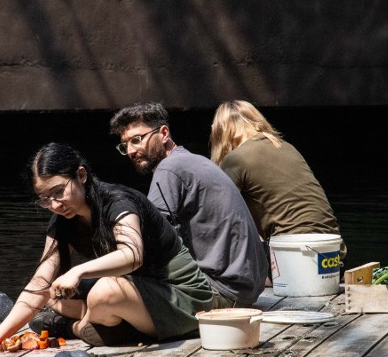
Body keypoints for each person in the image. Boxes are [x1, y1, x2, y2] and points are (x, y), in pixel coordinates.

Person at [0, 142, 220, 348]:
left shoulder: (118, 202)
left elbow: (133, 255)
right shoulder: (62, 220)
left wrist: (77, 271)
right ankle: (95, 320)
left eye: (58, 192)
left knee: (103, 291)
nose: (54, 205)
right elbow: (40, 283)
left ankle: (80, 326)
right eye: (45, 199)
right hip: (139, 297)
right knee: (51, 295)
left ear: (81, 175)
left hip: (185, 300)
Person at [109, 102, 268, 307]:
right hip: (246, 288)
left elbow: (147, 239)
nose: (131, 150)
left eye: (137, 140)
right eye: (125, 145)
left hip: (223, 290)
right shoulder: (192, 160)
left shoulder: (169, 169)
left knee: (117, 288)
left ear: (164, 133)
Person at [209, 100, 345, 256]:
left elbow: (218, 215)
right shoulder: (286, 147)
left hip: (294, 255)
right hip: (334, 249)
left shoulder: (235, 159)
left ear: (221, 131)